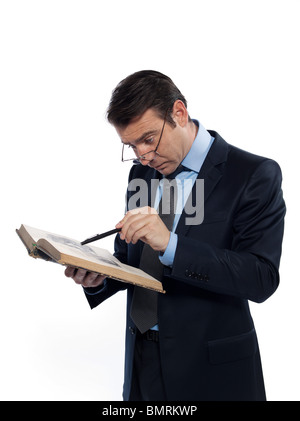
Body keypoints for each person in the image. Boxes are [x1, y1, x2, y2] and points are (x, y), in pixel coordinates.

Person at [65, 70, 286, 401]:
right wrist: (101, 277)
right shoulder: (141, 173)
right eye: (131, 145)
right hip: (141, 363)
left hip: (211, 373)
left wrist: (171, 245)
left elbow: (260, 277)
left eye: (149, 139)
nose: (143, 155)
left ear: (179, 113)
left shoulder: (253, 174)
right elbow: (134, 260)